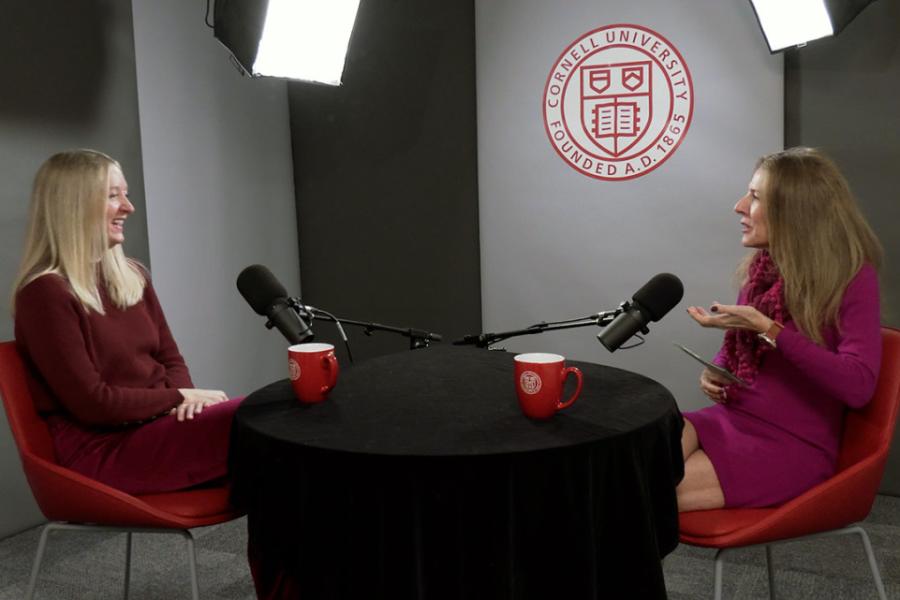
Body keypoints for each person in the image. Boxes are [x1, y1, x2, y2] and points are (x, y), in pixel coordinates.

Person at [12, 149, 242, 495]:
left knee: (274, 434)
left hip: (159, 426)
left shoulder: (132, 276)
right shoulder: (44, 294)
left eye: (126, 194)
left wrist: (186, 402)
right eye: (112, 196)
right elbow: (94, 403)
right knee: (257, 423)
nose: (128, 207)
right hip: (104, 450)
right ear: (74, 206)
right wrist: (178, 396)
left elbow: (170, 358)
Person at [678, 147, 883, 511]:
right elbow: (736, 350)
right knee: (630, 462)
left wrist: (770, 330)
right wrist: (716, 368)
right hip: (730, 420)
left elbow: (859, 386)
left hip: (791, 446)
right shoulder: (762, 270)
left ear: (794, 211)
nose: (739, 207)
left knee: (637, 494)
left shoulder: (853, 277)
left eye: (755, 197)